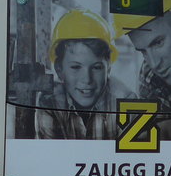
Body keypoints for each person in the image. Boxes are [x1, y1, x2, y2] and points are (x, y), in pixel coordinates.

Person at [34, 9, 127, 140]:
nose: (87, 79)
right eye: (76, 67)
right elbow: (51, 156)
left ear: (109, 68)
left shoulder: (124, 102)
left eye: (96, 67)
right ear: (59, 70)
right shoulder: (50, 102)